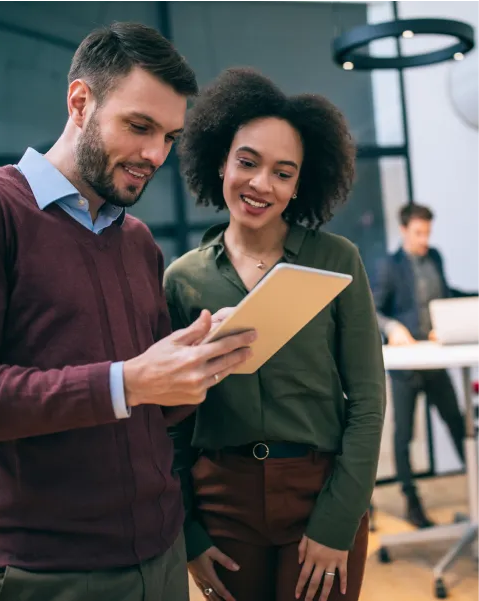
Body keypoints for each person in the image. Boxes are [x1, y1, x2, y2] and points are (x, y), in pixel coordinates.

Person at [0, 23, 255, 601]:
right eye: (139, 126)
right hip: (51, 571)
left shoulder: (138, 240)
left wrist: (192, 376)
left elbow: (146, 407)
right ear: (79, 103)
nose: (154, 154)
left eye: (169, 136)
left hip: (162, 553)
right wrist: (127, 382)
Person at [164, 68, 386, 601]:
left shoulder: (338, 261)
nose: (262, 184)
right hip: (223, 501)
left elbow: (368, 402)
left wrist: (338, 520)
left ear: (299, 185)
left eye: (283, 173)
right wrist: (189, 532)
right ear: (221, 160)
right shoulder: (182, 279)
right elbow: (169, 422)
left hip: (322, 492)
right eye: (247, 162)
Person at [372, 203, 473, 529]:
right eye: (418, 233)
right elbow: (374, 310)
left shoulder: (435, 258)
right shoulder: (389, 266)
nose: (424, 239)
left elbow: (444, 295)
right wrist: (393, 328)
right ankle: (412, 502)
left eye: (427, 232)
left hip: (435, 360)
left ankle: (475, 487)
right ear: (403, 231)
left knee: (458, 425)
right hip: (406, 366)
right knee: (404, 436)